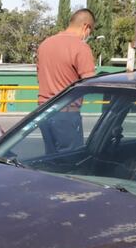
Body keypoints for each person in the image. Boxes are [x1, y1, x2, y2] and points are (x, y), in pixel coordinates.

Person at [36, 8, 97, 153]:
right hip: (66, 113)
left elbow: (40, 77)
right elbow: (91, 83)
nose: (89, 34)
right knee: (69, 163)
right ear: (85, 27)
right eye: (91, 31)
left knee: (50, 159)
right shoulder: (81, 47)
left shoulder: (45, 44)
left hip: (43, 111)